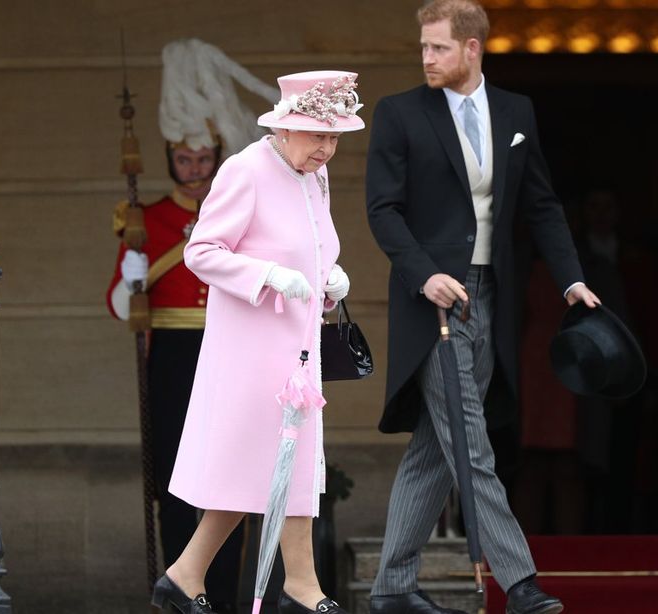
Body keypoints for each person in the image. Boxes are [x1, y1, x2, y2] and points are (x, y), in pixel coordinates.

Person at [365, 2, 599, 613]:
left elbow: (542, 206)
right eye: (422, 47)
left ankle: (390, 589)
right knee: (470, 443)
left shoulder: (517, 112)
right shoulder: (398, 113)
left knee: (434, 451)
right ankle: (520, 582)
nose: (426, 58)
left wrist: (571, 280)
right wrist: (424, 276)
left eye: (438, 47)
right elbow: (383, 211)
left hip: (493, 294)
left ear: (472, 49)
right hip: (433, 302)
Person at [150, 70, 364, 614]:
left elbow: (311, 251)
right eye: (317, 134)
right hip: (249, 347)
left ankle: (190, 574)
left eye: (334, 136)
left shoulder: (315, 175)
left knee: (283, 463)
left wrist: (330, 281)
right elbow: (203, 252)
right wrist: (265, 275)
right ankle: (296, 585)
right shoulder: (244, 169)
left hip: (296, 346)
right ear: (285, 127)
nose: (326, 147)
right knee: (264, 464)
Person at [107, 38, 280, 611]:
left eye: (205, 160)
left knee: (229, 471)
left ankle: (225, 593)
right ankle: (183, 589)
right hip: (175, 354)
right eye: (185, 160)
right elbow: (117, 306)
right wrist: (136, 272)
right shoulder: (147, 217)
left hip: (228, 346)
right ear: (169, 158)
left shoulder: (234, 207)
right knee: (176, 477)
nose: (195, 171)